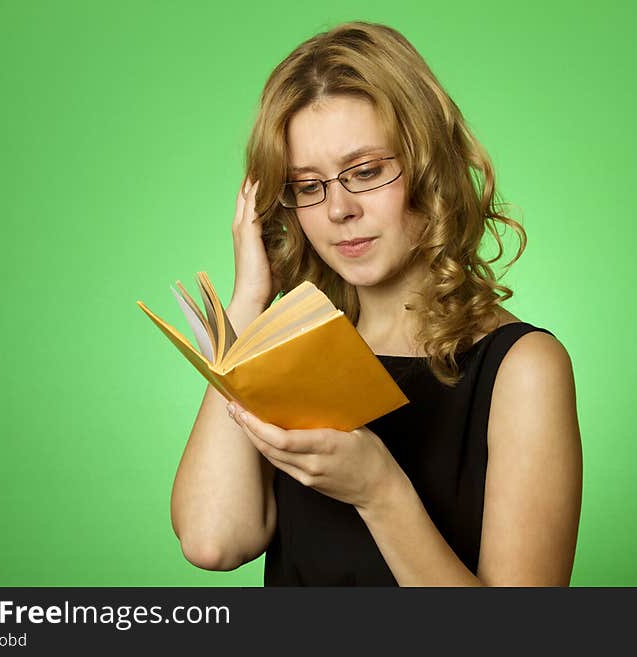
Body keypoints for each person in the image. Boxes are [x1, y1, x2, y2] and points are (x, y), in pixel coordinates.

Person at [170, 21, 583, 586]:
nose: (338, 209)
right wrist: (248, 300)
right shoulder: (294, 348)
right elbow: (213, 539)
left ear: (429, 165)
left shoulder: (523, 368)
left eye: (365, 172)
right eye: (308, 185)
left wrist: (380, 491)